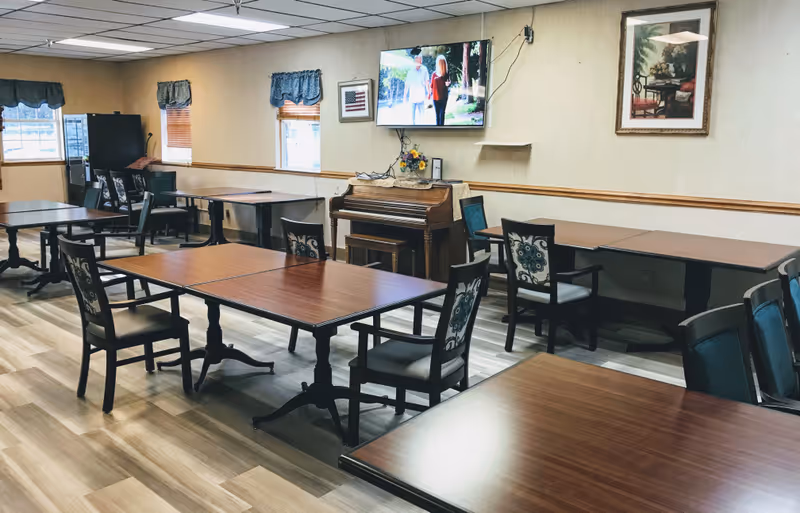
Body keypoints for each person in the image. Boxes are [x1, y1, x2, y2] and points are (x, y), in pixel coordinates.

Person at [403, 55, 430, 125]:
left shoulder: (424, 70)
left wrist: (429, 93)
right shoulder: (410, 71)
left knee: (422, 119)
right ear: (415, 61)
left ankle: (423, 132)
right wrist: (405, 96)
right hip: (412, 99)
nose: (419, 62)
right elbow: (407, 84)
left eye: (420, 61)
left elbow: (427, 82)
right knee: (412, 121)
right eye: (418, 61)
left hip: (421, 98)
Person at [429, 55, 451, 126]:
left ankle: (441, 128)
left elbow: (448, 83)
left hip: (443, 98)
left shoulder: (446, 75)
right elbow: (431, 86)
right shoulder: (434, 74)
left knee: (441, 114)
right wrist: (430, 94)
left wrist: (448, 84)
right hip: (435, 98)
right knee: (437, 115)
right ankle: (437, 129)